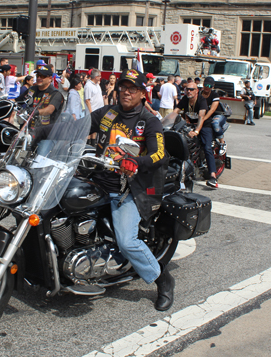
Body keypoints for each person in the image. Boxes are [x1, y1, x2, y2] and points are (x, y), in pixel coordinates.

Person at [88, 69, 173, 311]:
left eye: (132, 88)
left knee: (127, 241)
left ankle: (162, 279)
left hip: (128, 187)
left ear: (142, 93)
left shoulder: (149, 121)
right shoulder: (108, 113)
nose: (126, 91)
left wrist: (136, 161)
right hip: (99, 179)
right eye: (123, 87)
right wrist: (39, 133)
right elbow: (79, 125)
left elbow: (158, 153)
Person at [172, 82, 217, 188]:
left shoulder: (201, 100)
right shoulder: (185, 99)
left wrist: (196, 131)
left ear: (197, 90)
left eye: (192, 89)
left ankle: (213, 176)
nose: (189, 91)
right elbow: (175, 112)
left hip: (204, 126)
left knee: (207, 147)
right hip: (190, 124)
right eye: (187, 89)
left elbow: (201, 116)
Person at [201, 76, 227, 155]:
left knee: (215, 123)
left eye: (209, 86)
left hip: (217, 114)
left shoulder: (214, 95)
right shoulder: (199, 93)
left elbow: (212, 110)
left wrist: (203, 119)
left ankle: (222, 143)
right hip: (204, 114)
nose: (207, 87)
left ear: (213, 86)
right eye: (206, 85)